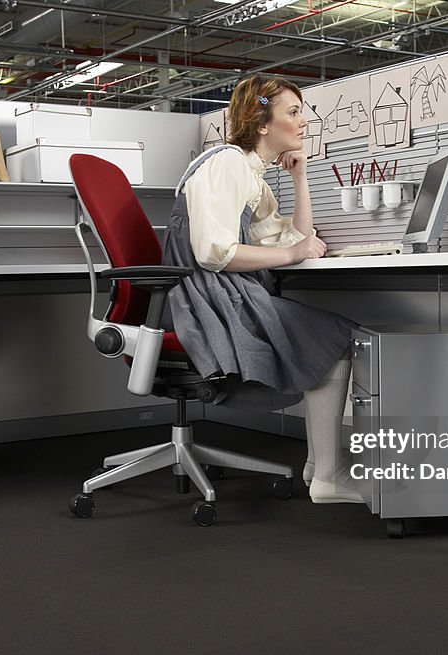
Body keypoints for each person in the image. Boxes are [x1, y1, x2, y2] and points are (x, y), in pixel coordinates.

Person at [162, 74, 363, 505]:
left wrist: (300, 179)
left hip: (220, 291)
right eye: (293, 112)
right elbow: (214, 253)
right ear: (262, 122)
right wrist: (294, 254)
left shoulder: (253, 177)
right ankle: (328, 473)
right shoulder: (228, 162)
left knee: (325, 336)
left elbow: (293, 240)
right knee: (335, 337)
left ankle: (318, 466)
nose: (303, 122)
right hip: (204, 297)